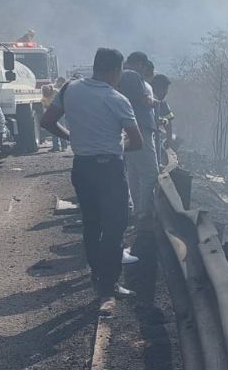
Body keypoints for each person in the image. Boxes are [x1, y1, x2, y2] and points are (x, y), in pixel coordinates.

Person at [40, 48, 144, 300]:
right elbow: (137, 142)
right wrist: (119, 146)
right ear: (115, 71)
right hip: (109, 170)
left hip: (83, 167)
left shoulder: (70, 89)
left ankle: (97, 276)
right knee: (115, 228)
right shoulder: (117, 99)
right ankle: (109, 284)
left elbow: (47, 121)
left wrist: (71, 137)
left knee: (92, 224)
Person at [118, 52, 159, 229]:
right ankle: (144, 213)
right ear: (140, 64)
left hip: (132, 130)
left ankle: (137, 211)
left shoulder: (124, 76)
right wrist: (154, 102)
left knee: (134, 173)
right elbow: (143, 100)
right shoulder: (131, 76)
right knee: (150, 173)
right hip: (139, 130)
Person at [150, 73, 175, 163]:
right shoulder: (147, 100)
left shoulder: (163, 103)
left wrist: (169, 139)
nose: (166, 92)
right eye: (164, 89)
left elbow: (169, 121)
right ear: (156, 88)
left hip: (156, 138)